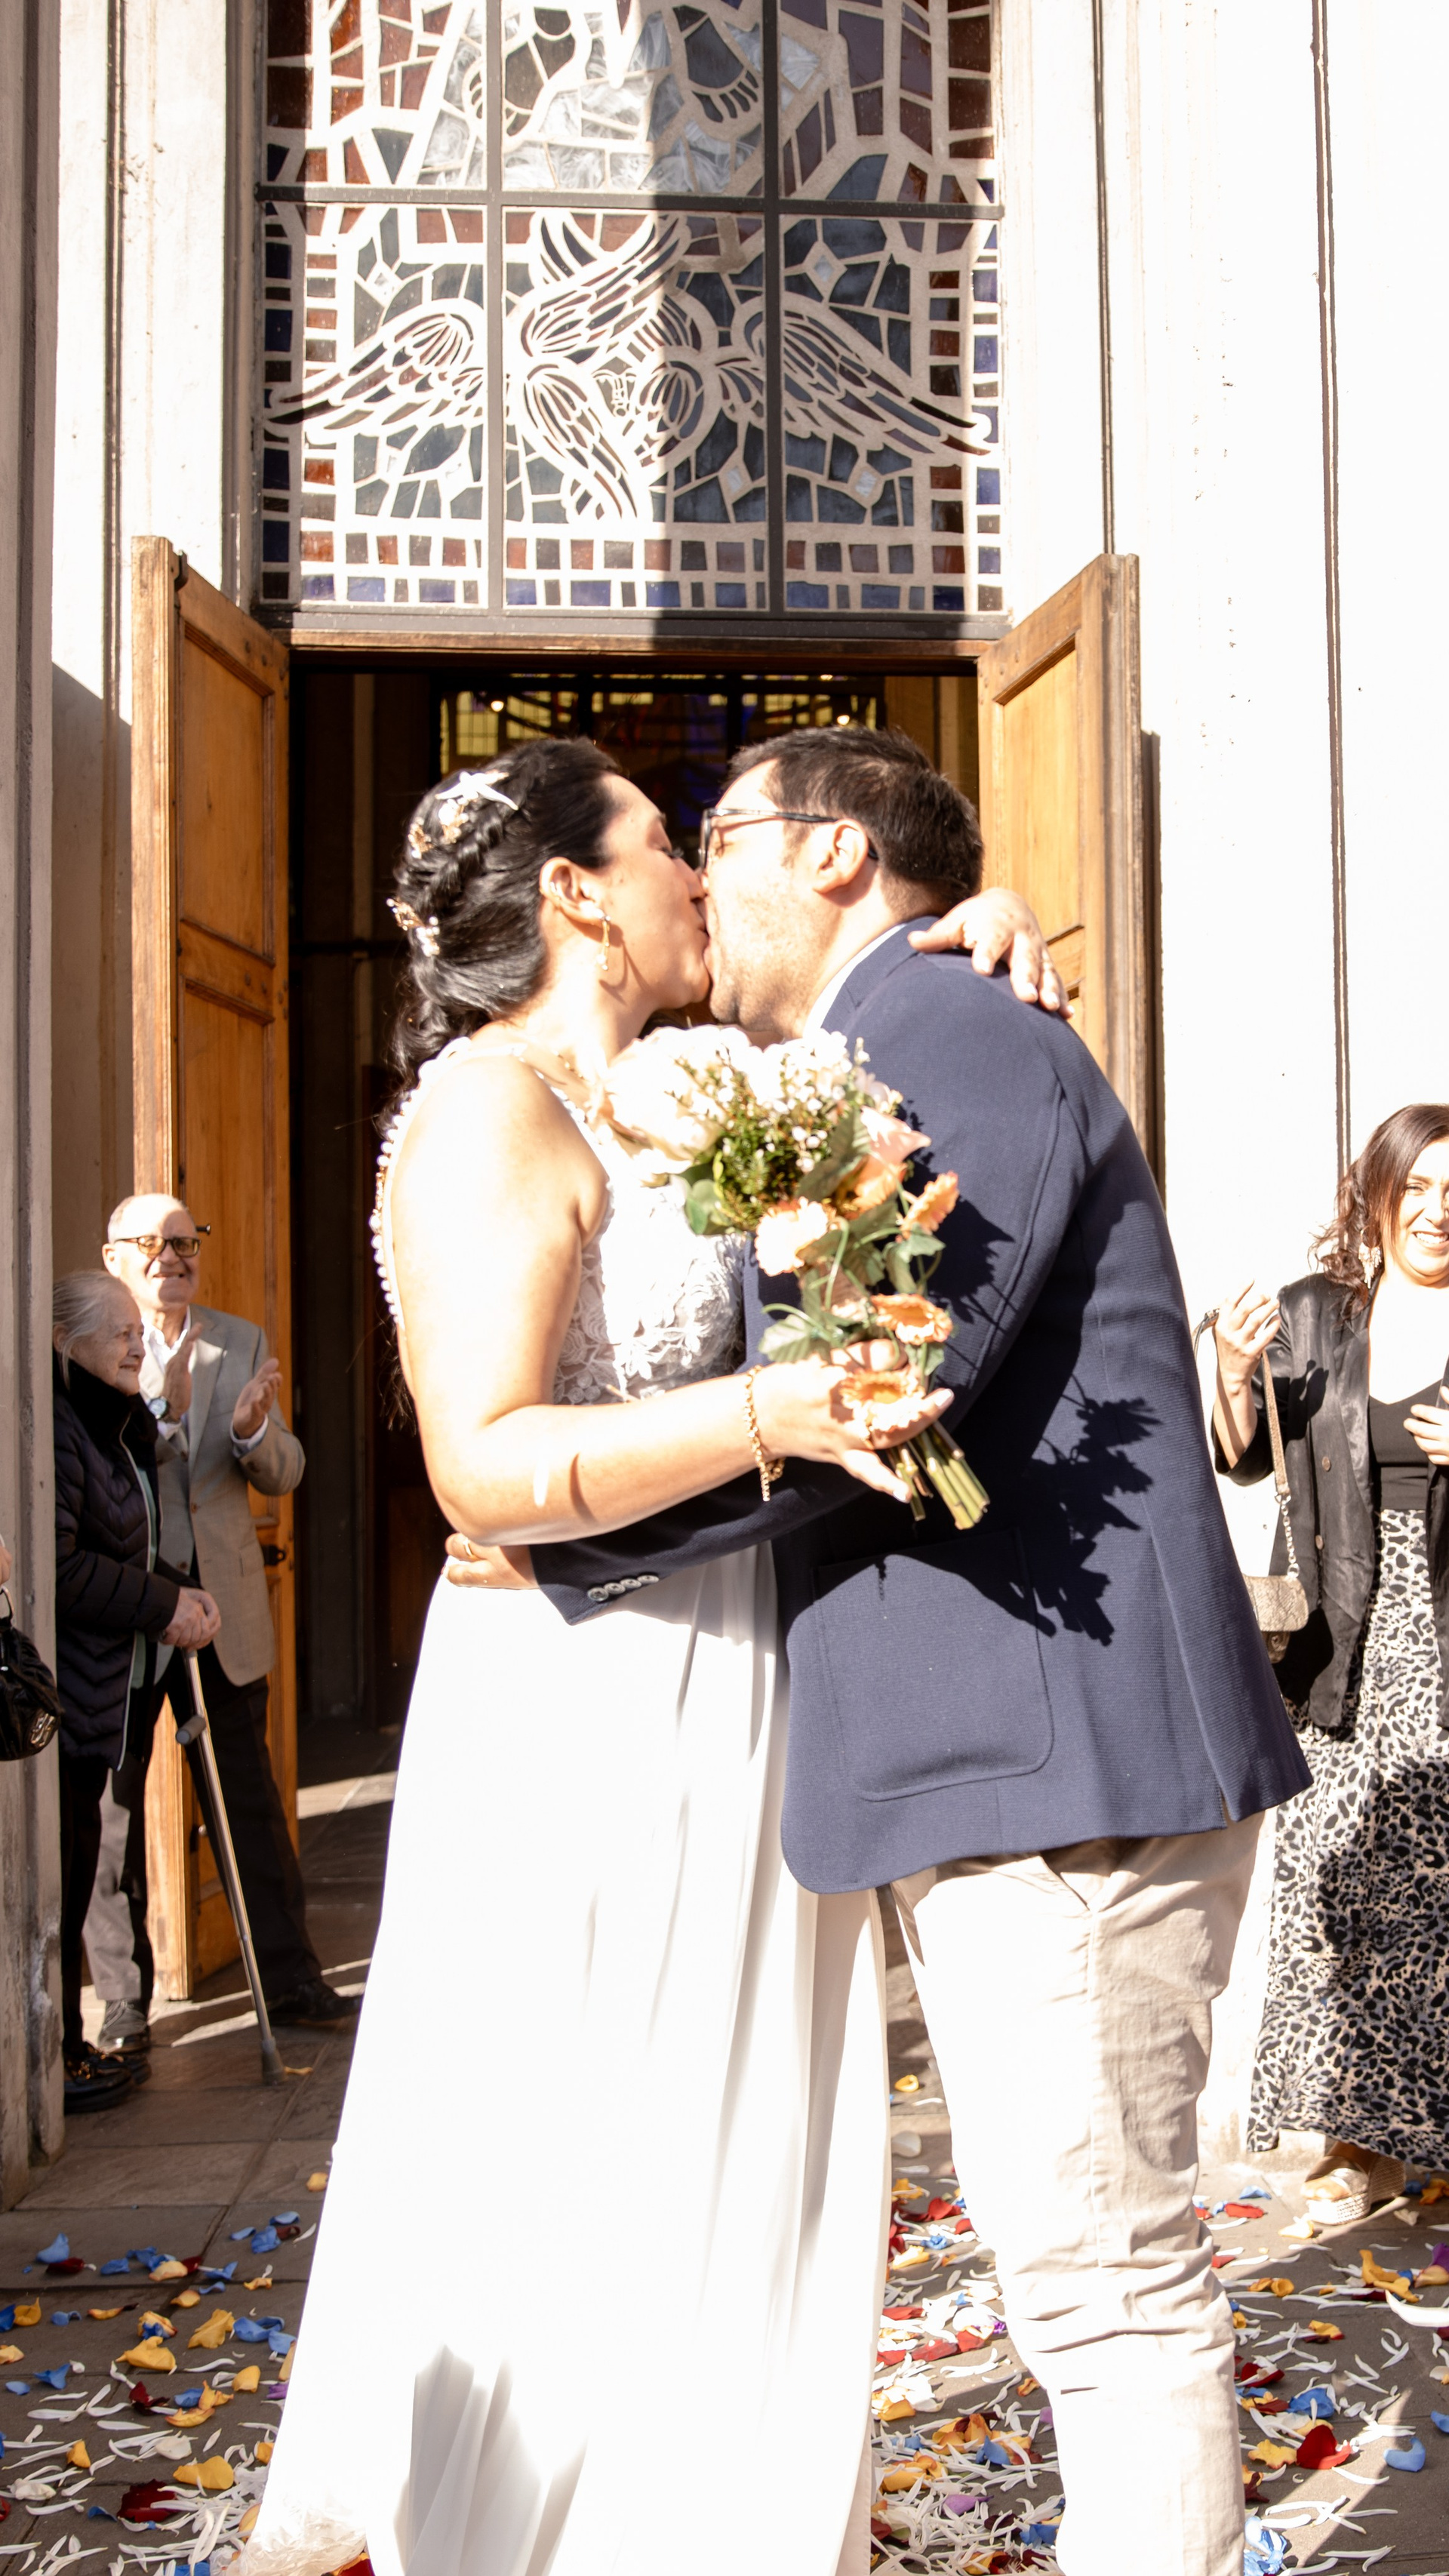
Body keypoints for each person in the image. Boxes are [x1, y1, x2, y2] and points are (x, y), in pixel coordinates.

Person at [503, 727, 1312, 2576]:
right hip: (999, 1753)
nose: (696, 875)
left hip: (1059, 1760)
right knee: (1081, 2269)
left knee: (1106, 2284)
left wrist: (563, 1525)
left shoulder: (947, 1029)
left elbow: (880, 1382)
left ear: (838, 853)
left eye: (720, 832)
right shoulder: (878, 1039)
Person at [248, 738, 1054, 2576]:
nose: (699, 873)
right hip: (580, 1687)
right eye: (661, 845)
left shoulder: (682, 1089)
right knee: (578, 2116)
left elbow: (867, 1007)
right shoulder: (485, 1112)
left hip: (736, 1664)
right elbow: (481, 1463)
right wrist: (779, 1406)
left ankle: (721, 2506)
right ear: (576, 893)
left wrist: (976, 924)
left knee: (730, 2113)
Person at [1213, 1104, 1449, 2224]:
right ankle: (1362, 2143)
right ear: (1380, 1195)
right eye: (1421, 1187)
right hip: (1343, 1642)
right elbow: (1243, 1458)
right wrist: (1232, 1368)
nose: (1439, 1211)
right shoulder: (1318, 1315)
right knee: (1341, 1888)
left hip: (1442, 1629)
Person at [92, 1198, 351, 2036]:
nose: (172, 1256)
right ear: (114, 1258)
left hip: (224, 1608)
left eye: (184, 1241)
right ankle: (125, 2004)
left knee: (249, 1803)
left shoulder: (238, 1340)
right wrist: (160, 1408)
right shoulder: (97, 1343)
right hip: (131, 1608)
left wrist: (248, 1434)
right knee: (114, 1809)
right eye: (152, 1243)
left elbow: (287, 1469)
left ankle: (290, 1980)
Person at [51, 1270, 220, 2110]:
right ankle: (57, 2056)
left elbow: (126, 1547)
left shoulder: (115, 1423)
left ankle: (67, 2050)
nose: (134, 1344)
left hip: (105, 1692)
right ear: (66, 1342)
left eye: (135, 1331)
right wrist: (161, 1603)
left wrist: (179, 1590)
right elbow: (61, 1567)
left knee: (80, 1858)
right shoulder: (58, 1427)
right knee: (68, 1873)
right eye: (118, 1331)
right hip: (69, 1691)